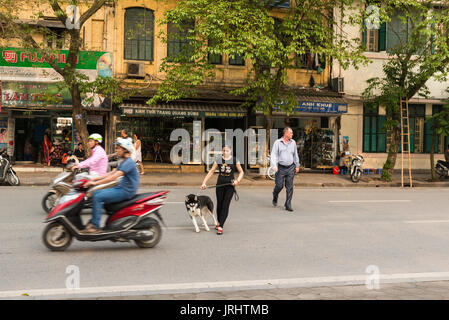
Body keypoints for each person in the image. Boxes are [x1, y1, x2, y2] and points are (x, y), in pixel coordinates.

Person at [82, 138, 140, 234]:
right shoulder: (124, 161)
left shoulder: (128, 162)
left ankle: (95, 226)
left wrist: (94, 183)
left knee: (97, 196)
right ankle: (102, 221)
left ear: (125, 150)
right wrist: (94, 179)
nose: (116, 150)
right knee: (97, 193)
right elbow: (110, 174)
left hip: (125, 191)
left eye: (118, 148)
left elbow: (113, 177)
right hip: (121, 188)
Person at [201, 145, 244, 235]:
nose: (225, 152)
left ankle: (221, 225)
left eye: (227, 150)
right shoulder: (218, 160)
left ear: (231, 151)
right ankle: (219, 221)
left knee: (225, 204)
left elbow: (241, 172)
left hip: (230, 185)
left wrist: (237, 181)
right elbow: (211, 171)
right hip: (220, 184)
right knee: (219, 204)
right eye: (224, 150)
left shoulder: (235, 160)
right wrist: (204, 182)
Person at [271, 127, 300, 212]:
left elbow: (295, 155)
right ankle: (275, 195)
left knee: (289, 187)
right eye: (291, 133)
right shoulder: (277, 142)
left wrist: (297, 165)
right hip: (280, 167)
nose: (292, 134)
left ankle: (288, 204)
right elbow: (274, 154)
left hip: (291, 167)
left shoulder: (293, 142)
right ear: (286, 133)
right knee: (279, 185)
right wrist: (274, 165)